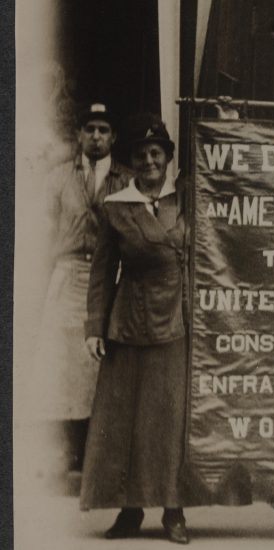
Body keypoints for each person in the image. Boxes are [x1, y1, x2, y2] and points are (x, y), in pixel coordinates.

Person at [82, 114, 202, 544]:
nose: (149, 161)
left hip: (176, 323)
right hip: (128, 325)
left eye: (157, 154)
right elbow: (101, 273)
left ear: (169, 159)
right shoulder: (116, 207)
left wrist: (222, 120)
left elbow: (221, 170)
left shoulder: (184, 199)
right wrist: (95, 327)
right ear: (131, 162)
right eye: (141, 155)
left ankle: (173, 512)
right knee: (125, 421)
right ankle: (129, 511)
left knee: (169, 421)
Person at [34, 102, 131, 491]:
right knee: (58, 365)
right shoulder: (58, 179)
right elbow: (42, 233)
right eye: (89, 128)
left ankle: (97, 455)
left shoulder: (125, 181)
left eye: (103, 129)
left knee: (99, 362)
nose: (95, 136)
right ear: (78, 134)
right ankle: (63, 452)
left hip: (106, 275)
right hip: (67, 272)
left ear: (113, 137)